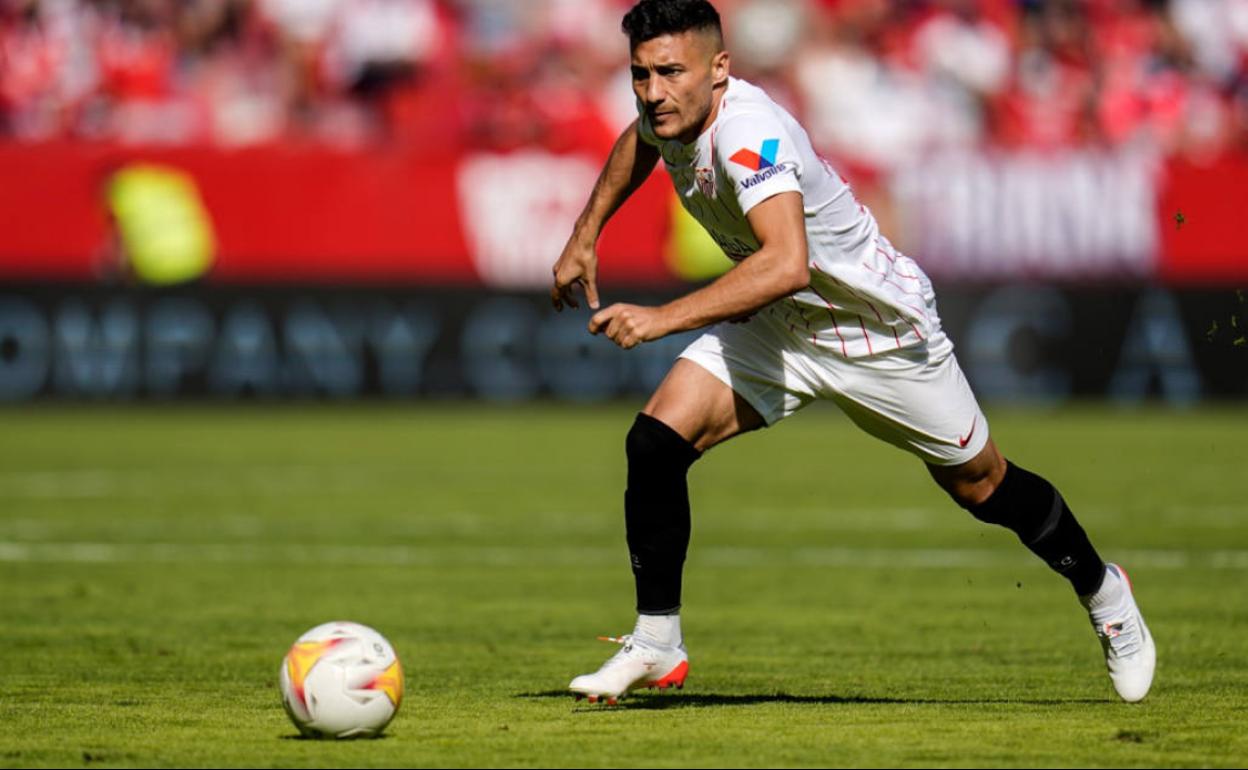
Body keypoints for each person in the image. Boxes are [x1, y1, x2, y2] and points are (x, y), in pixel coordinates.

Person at [550, 0, 1154, 706]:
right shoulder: (671, 113)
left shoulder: (747, 133)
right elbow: (641, 141)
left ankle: (1105, 593)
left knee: (981, 486)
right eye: (641, 74)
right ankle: (657, 642)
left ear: (719, 70)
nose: (653, 91)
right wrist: (586, 231)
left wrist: (664, 318)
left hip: (876, 333)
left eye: (670, 73)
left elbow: (786, 264)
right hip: (780, 326)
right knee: (655, 441)